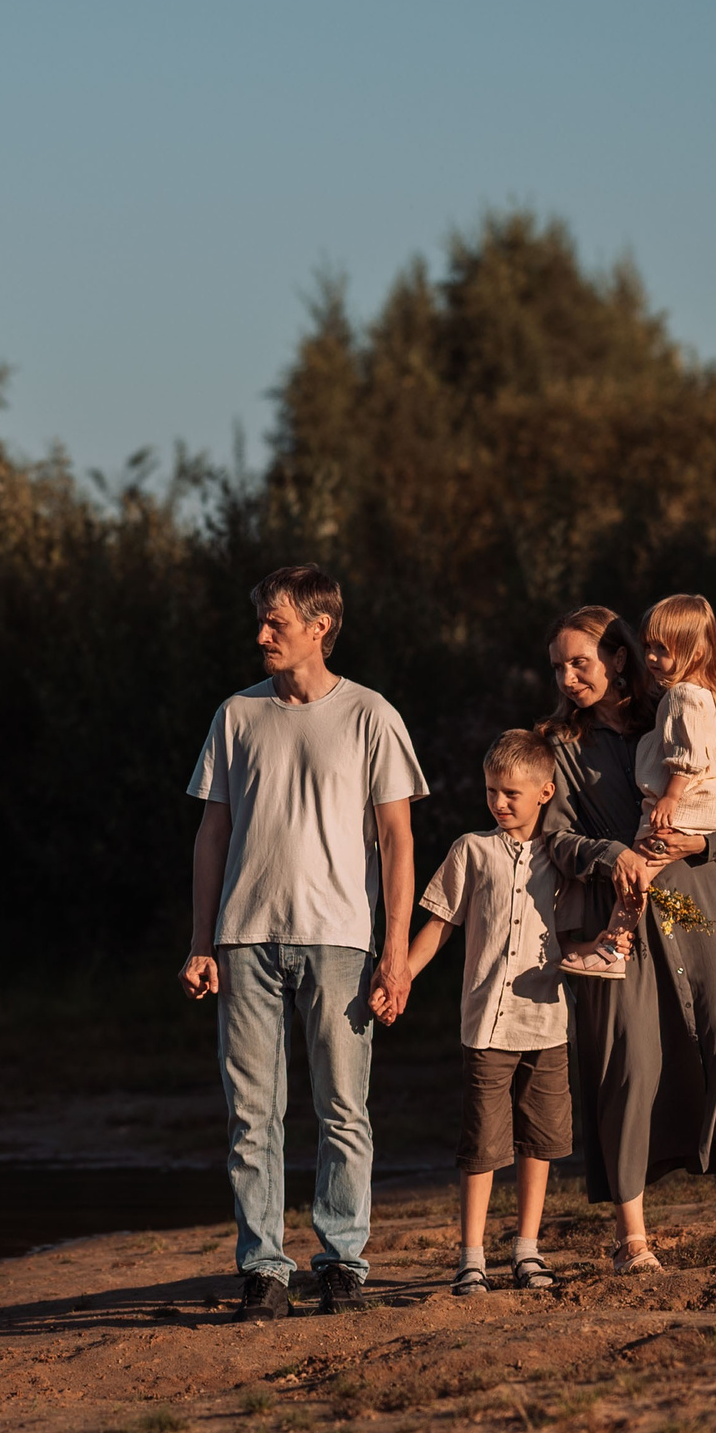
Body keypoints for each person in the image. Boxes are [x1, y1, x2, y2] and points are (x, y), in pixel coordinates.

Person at [534, 605, 716, 1272]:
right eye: (558, 666)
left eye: (581, 661)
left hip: (695, 907)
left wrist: (704, 840)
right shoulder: (559, 746)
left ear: (619, 657)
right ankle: (632, 1236)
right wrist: (611, 856)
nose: (569, 676)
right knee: (628, 1064)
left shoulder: (677, 710)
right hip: (620, 925)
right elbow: (554, 836)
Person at [179, 565, 428, 1319]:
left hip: (341, 940)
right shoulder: (236, 715)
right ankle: (263, 1267)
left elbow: (397, 837)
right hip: (244, 939)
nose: (261, 635)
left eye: (275, 622)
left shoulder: (370, 715)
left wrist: (396, 950)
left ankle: (342, 1261)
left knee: (342, 1109)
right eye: (260, 621)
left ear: (320, 626)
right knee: (251, 1112)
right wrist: (200, 942)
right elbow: (211, 834)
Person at [374, 729, 570, 1296]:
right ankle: (472, 1258)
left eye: (511, 793)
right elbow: (439, 926)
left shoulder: (563, 855)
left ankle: (527, 1251)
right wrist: (400, 975)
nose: (499, 803)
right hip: (486, 1025)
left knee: (540, 1140)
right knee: (483, 1143)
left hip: (548, 1022)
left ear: (545, 791)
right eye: (491, 791)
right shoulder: (471, 850)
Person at [560, 594, 716, 989]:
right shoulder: (705, 691)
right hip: (713, 801)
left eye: (663, 650)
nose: (653, 659)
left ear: (693, 651)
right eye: (649, 649)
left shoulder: (681, 697)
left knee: (637, 870)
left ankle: (611, 950)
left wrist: (671, 798)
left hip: (688, 803)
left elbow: (686, 757)